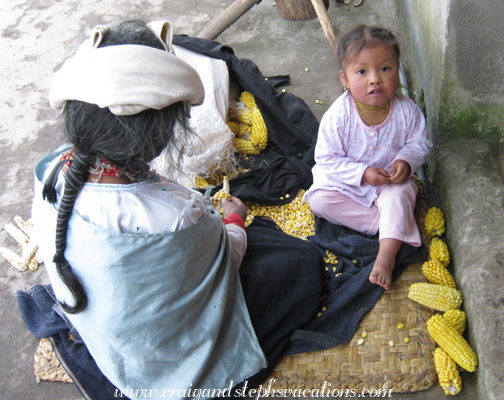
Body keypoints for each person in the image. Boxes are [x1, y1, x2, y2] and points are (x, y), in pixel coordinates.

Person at [30, 20, 323, 399]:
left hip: (111, 339)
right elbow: (228, 261)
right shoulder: (175, 213)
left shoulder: (51, 170)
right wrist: (234, 220)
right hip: (163, 360)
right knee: (299, 262)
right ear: (158, 131)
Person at [303, 25, 432, 290]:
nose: (375, 79)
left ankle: (386, 255)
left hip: (388, 184)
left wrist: (406, 162)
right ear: (345, 79)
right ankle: (392, 228)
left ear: (398, 69)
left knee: (402, 193)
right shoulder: (338, 116)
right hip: (348, 184)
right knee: (318, 201)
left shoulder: (407, 112)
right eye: (362, 72)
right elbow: (327, 159)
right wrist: (362, 173)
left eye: (385, 69)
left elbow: (419, 142)